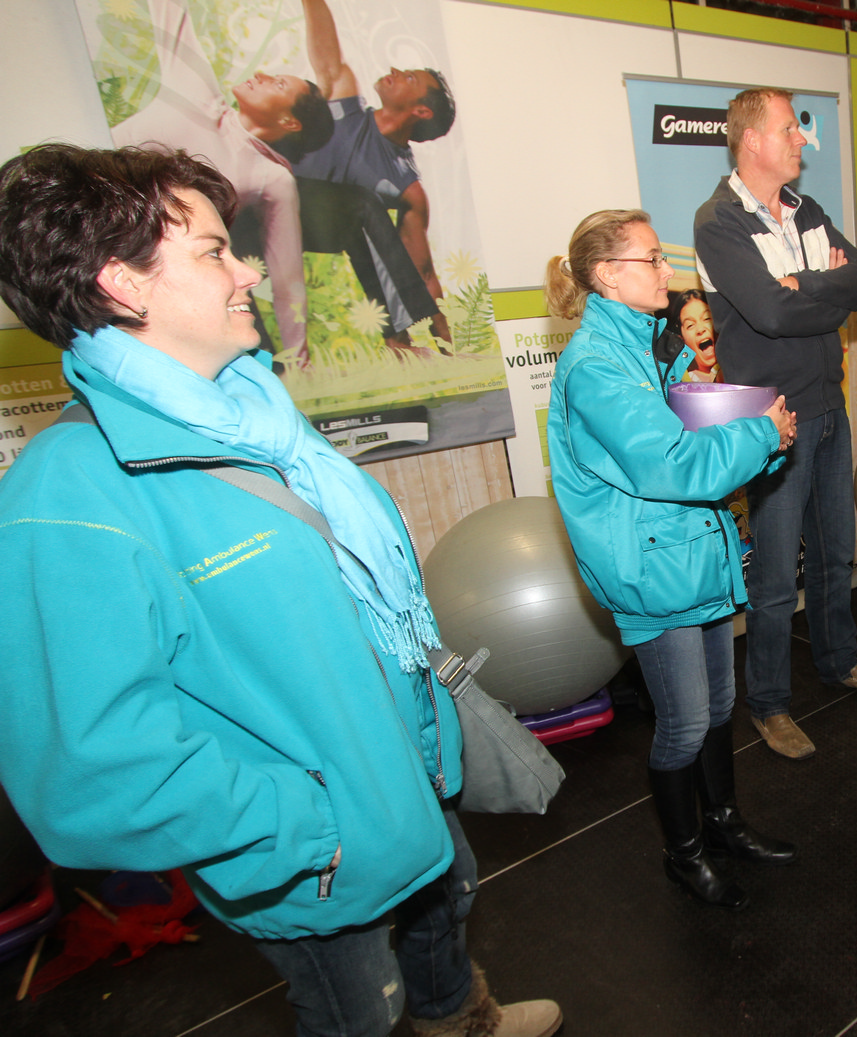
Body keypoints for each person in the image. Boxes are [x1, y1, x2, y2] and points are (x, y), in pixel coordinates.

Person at [0, 145, 560, 1037]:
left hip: (401, 769)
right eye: (213, 251)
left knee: (445, 907)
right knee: (356, 1012)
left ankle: (461, 1019)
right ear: (122, 283)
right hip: (316, 844)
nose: (250, 270)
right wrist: (310, 827)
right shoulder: (66, 498)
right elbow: (92, 766)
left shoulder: (254, 414)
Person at [544, 209, 799, 909]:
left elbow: (687, 452)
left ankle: (723, 824)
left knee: (718, 707)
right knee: (684, 723)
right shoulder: (597, 366)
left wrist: (757, 437)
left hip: (687, 551)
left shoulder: (644, 347)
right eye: (652, 259)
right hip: (651, 568)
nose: (667, 271)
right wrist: (760, 435)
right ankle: (683, 855)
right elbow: (673, 464)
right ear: (607, 274)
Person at [694, 87, 857, 761]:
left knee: (836, 554)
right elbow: (769, 314)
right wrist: (823, 291)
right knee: (777, 576)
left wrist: (802, 283)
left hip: (829, 405)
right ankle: (769, 703)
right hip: (772, 419)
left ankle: (840, 661)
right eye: (788, 129)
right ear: (751, 139)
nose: (801, 140)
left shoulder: (806, 210)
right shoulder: (718, 221)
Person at [112, 0, 330, 369]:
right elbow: (170, 10)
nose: (261, 73)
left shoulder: (272, 176)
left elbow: (287, 276)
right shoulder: (197, 88)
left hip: (148, 271)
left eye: (278, 83)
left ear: (289, 122)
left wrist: (299, 358)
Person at [295, 0, 459, 360]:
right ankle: (399, 340)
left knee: (364, 211)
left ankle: (399, 343)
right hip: (273, 204)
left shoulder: (406, 186)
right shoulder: (344, 105)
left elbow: (422, 272)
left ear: (421, 111)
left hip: (317, 230)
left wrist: (448, 347)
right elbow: (328, 59)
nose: (395, 70)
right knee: (363, 204)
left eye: (410, 78)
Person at [670, 287, 720, 382]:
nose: (700, 329)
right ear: (682, 338)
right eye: (690, 325)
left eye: (707, 318)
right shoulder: (683, 382)